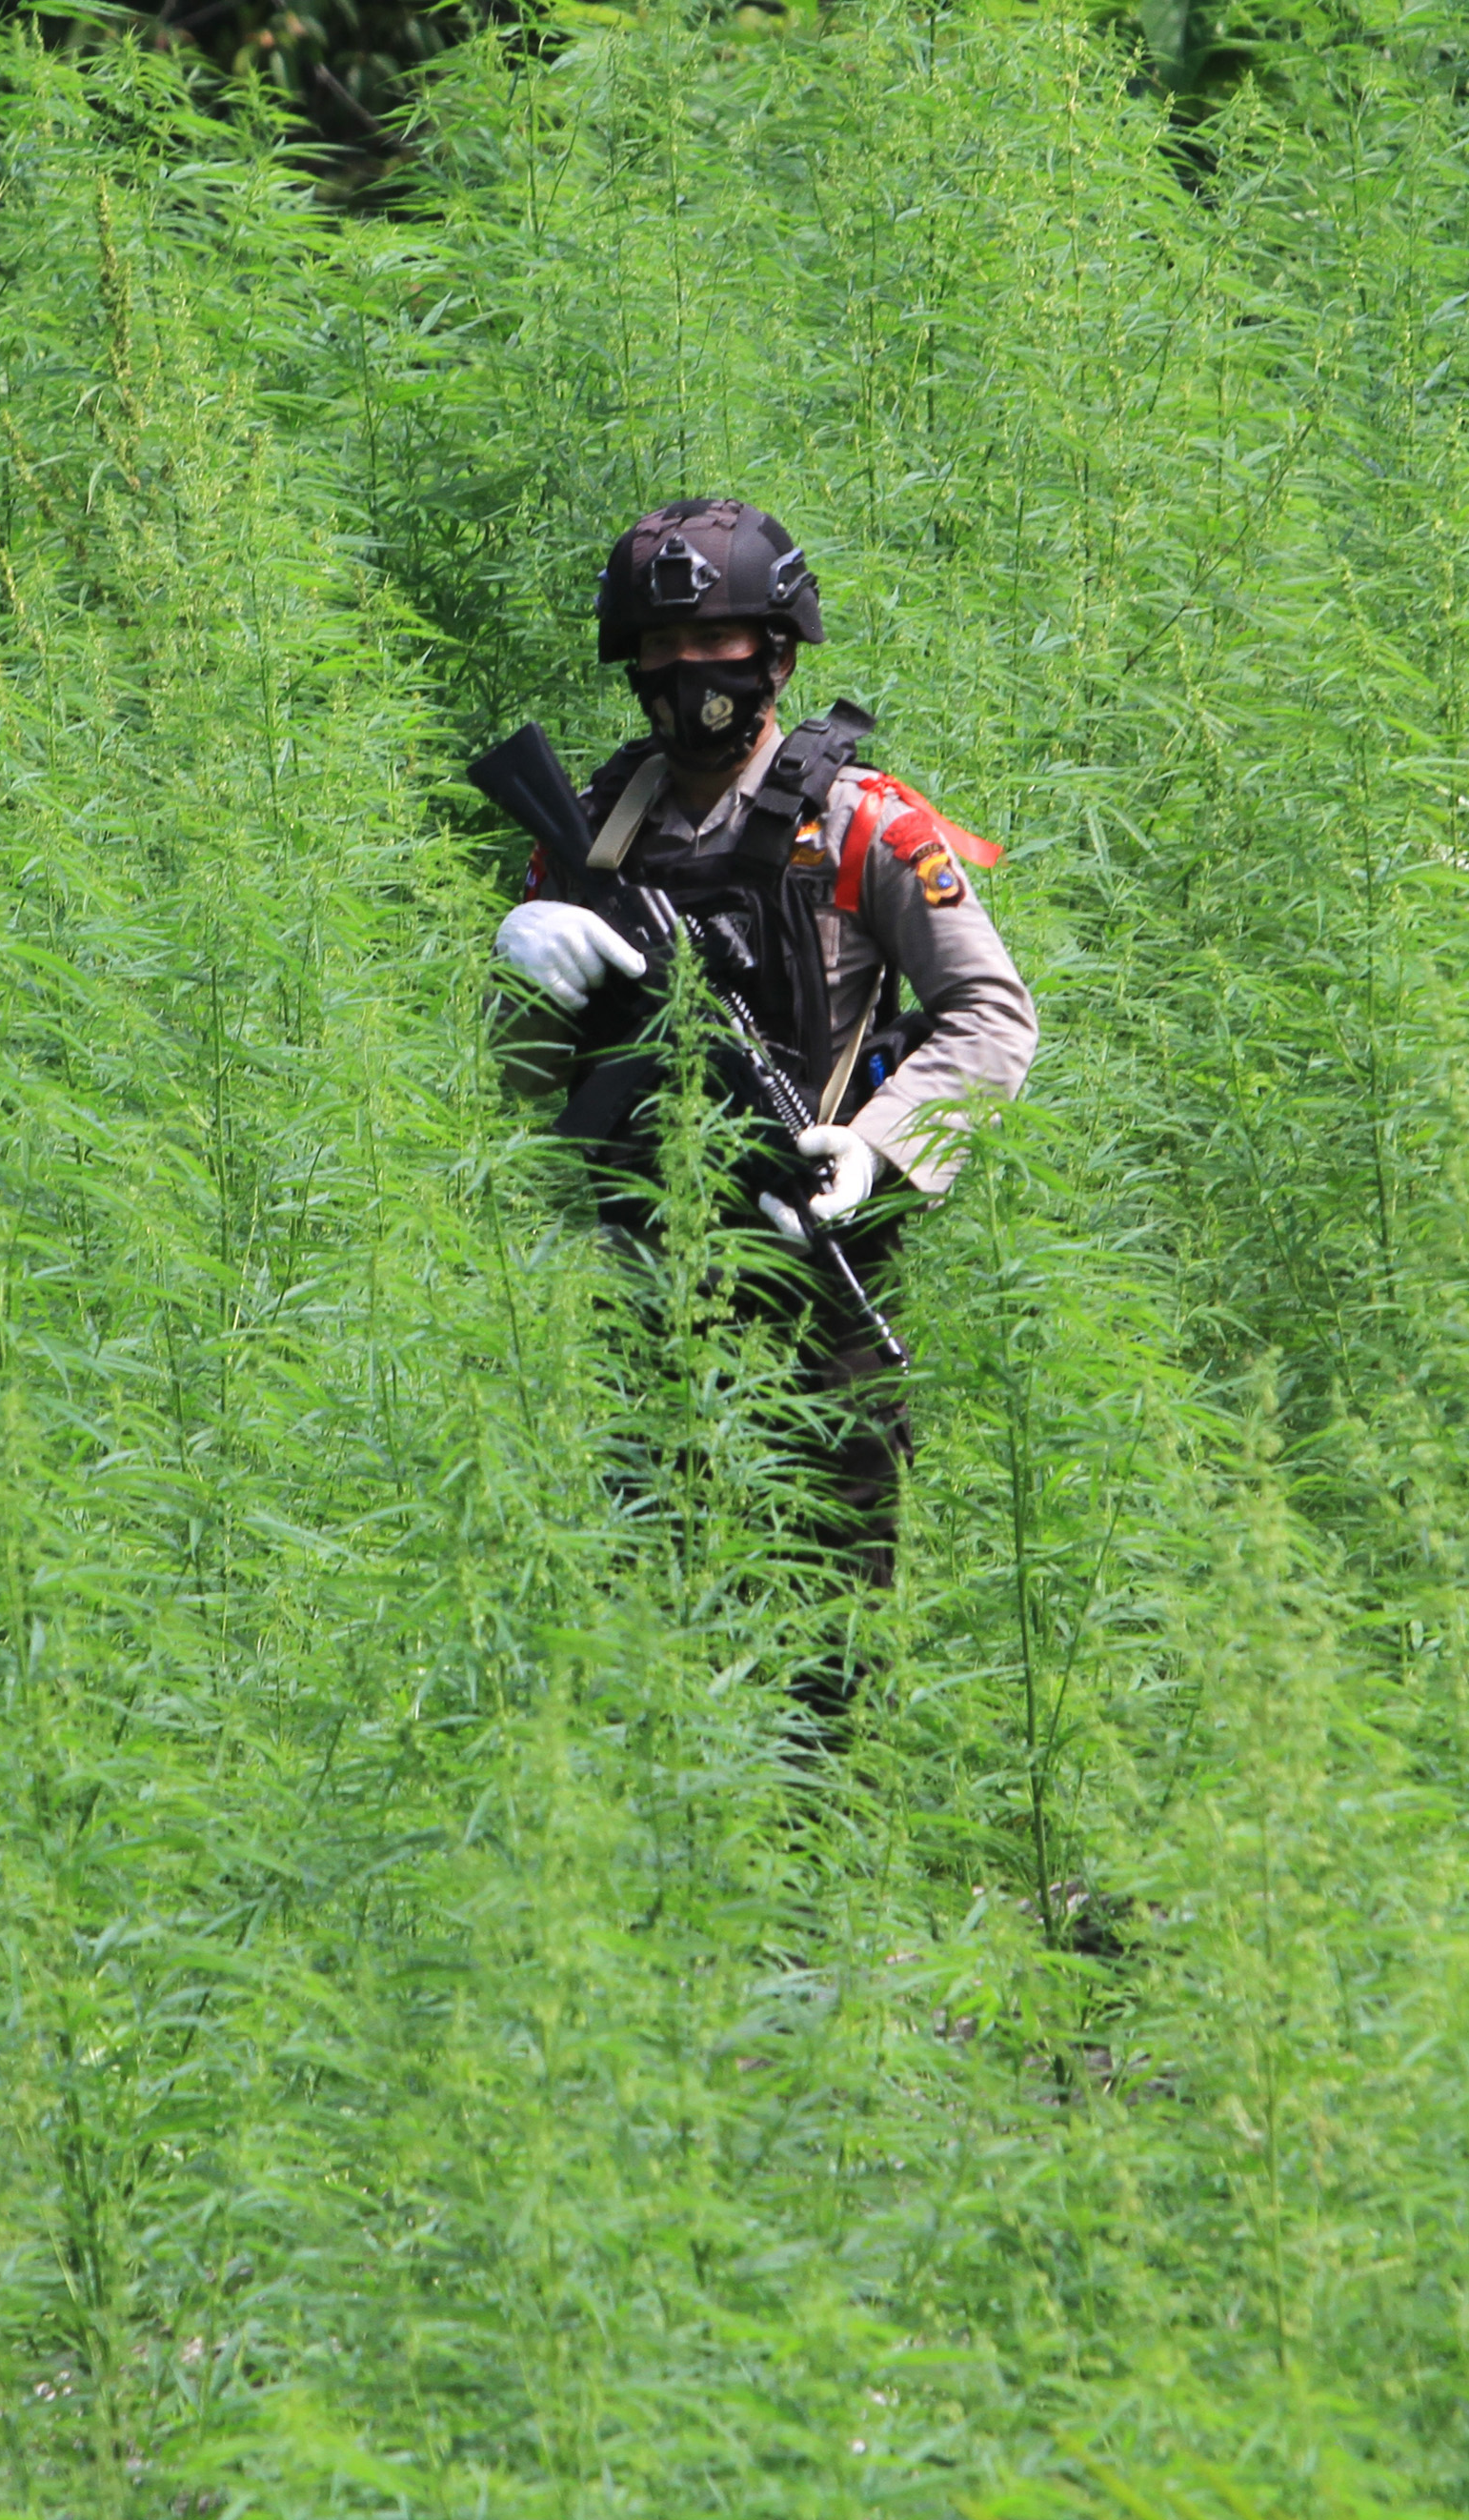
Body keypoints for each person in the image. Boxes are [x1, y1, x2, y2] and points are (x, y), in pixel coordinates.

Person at [489, 498, 1038, 1727]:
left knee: (829, 1646)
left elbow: (992, 1019)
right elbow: (520, 1092)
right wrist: (519, 973)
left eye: (721, 651)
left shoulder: (863, 820)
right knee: (643, 1626)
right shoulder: (588, 833)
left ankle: (828, 1896)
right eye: (663, 657)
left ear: (779, 654)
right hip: (633, 1289)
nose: (691, 681)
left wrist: (881, 1150)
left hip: (814, 1275)